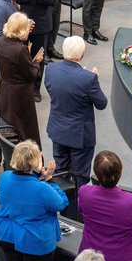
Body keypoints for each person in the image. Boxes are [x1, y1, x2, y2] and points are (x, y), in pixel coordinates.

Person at [0, 140, 69, 261]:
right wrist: (49, 178)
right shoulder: (42, 189)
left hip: (6, 234)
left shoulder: (5, 176)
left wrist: (41, 174)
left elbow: (24, 185)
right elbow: (61, 203)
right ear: (33, 162)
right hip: (34, 242)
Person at [44, 36, 107, 186]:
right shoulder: (89, 79)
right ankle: (76, 209)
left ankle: (62, 205)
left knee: (60, 172)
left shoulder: (51, 69)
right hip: (80, 136)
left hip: (58, 131)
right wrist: (95, 79)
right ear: (82, 54)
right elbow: (102, 103)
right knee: (80, 177)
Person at [78, 151, 132, 261]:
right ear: (119, 174)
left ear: (97, 173)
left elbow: (82, 210)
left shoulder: (84, 192)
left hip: (90, 260)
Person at [0, 12, 44, 145]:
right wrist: (37, 61)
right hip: (20, 97)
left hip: (5, 93)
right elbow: (33, 74)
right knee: (26, 132)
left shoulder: (0, 41)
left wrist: (26, 57)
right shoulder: (19, 50)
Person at [16, 0, 56, 101]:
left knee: (38, 57)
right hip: (23, 23)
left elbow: (52, 0)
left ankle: (35, 90)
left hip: (41, 24)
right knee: (22, 56)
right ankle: (23, 86)